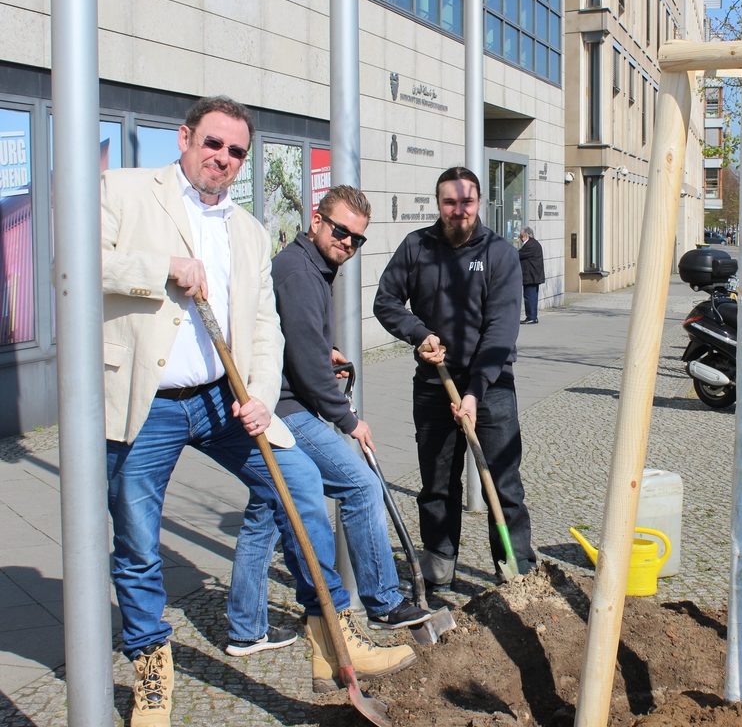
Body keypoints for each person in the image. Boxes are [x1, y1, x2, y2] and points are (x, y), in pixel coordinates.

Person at [100, 96, 412, 727]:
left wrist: (262, 399)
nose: (223, 158)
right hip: (147, 403)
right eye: (213, 143)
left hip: (225, 396)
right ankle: (153, 675)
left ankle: (332, 642)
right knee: (136, 540)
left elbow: (265, 329)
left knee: (297, 490)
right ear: (186, 138)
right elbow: (75, 265)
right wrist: (161, 268)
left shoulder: (246, 230)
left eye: (236, 151)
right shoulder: (124, 191)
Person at [227, 184, 432, 661]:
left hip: (274, 400)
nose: (347, 243)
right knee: (361, 485)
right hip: (282, 408)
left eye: (357, 238)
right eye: (341, 231)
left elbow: (299, 341)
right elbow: (301, 357)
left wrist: (326, 351)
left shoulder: (311, 267)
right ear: (317, 221)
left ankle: (245, 627)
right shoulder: (299, 271)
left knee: (266, 510)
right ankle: (382, 600)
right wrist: (348, 419)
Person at [373, 166, 536, 590]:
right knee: (437, 483)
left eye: (466, 202)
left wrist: (475, 392)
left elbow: (500, 331)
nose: (458, 211)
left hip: (491, 387)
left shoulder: (499, 253)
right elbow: (386, 300)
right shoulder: (417, 248)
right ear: (439, 203)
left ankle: (515, 569)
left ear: (478, 203)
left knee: (503, 482)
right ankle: (440, 565)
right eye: (450, 202)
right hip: (433, 385)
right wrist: (419, 333)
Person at [517, 226, 545, 324]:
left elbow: (518, 254)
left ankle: (531, 317)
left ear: (525, 235)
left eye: (521, 236)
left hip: (531, 276)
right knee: (531, 296)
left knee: (530, 297)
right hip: (532, 275)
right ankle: (532, 316)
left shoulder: (530, 245)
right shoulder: (533, 243)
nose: (520, 238)